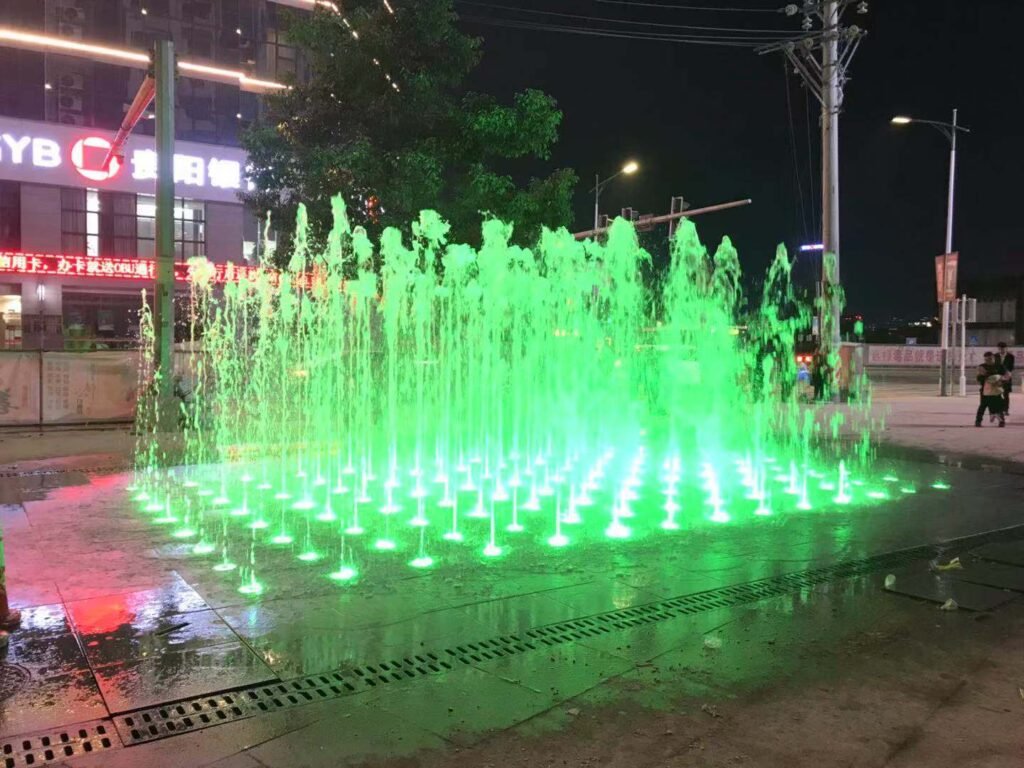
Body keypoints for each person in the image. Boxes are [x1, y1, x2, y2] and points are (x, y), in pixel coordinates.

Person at [975, 352, 1006, 427]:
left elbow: (1005, 377)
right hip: (985, 390)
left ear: (993, 358)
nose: (988, 361)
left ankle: (1001, 421)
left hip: (997, 390)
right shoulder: (982, 367)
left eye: (990, 359)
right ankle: (978, 421)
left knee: (999, 406)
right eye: (986, 359)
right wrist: (984, 376)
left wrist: (1000, 381)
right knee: (983, 406)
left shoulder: (1000, 366)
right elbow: (978, 378)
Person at [995, 341, 1015, 417]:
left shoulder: (1011, 356)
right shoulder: (995, 356)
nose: (1001, 350)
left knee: (1006, 394)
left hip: (1007, 377)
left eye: (1003, 349)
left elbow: (1011, 367)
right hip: (997, 377)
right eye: (1000, 349)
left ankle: (1005, 410)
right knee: (997, 394)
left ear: (1006, 348)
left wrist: (1007, 374)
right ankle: (998, 409)